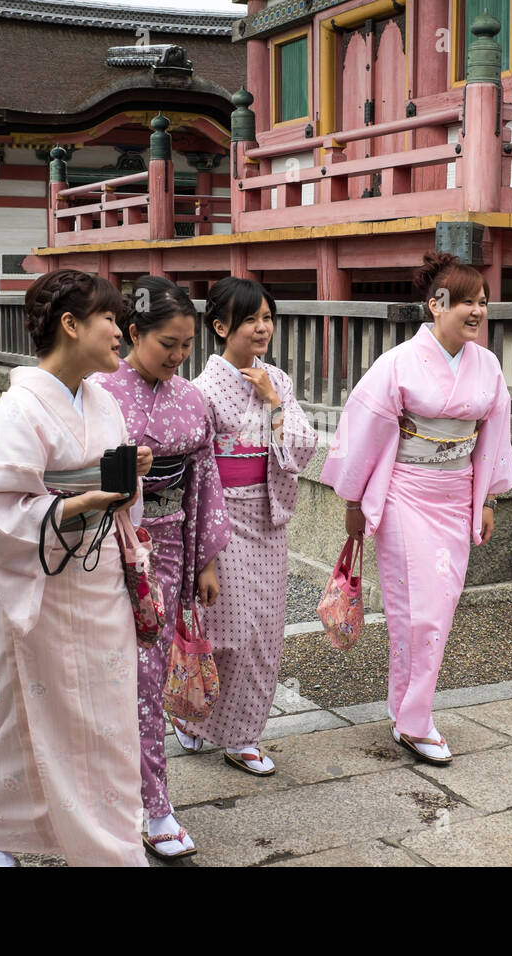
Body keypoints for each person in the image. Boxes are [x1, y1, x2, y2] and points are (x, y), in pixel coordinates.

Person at [0, 268, 153, 867]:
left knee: (108, 720)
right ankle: (3, 840)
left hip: (95, 579)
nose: (122, 332)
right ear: (71, 325)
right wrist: (74, 504)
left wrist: (126, 480)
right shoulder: (20, 408)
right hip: (38, 583)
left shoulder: (102, 401)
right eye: (110, 320)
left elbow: (114, 497)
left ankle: (106, 842)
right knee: (23, 711)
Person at [320, 251, 512, 765]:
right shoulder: (398, 363)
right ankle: (415, 720)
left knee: (440, 608)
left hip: (457, 493)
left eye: (483, 302)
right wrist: (354, 501)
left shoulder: (488, 365)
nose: (476, 311)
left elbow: (494, 434)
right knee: (419, 611)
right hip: (407, 491)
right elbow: (363, 430)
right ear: (435, 304)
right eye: (465, 302)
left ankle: (409, 713)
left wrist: (489, 496)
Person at [92, 275, 231, 860]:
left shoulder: (193, 399)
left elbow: (203, 479)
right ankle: (101, 799)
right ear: (132, 333)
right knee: (102, 674)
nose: (178, 357)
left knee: (148, 678)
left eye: (185, 345)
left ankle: (155, 805)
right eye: (166, 344)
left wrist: (205, 557)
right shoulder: (98, 391)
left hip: (168, 547)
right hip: (105, 546)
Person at [180, 277, 317, 775]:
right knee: (225, 631)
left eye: (267, 318)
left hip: (267, 516)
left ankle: (244, 736)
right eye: (251, 320)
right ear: (220, 327)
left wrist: (275, 403)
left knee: (264, 635)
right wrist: (205, 550)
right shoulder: (201, 390)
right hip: (223, 517)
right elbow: (198, 470)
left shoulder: (276, 380)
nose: (263, 329)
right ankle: (194, 715)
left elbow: (302, 448)